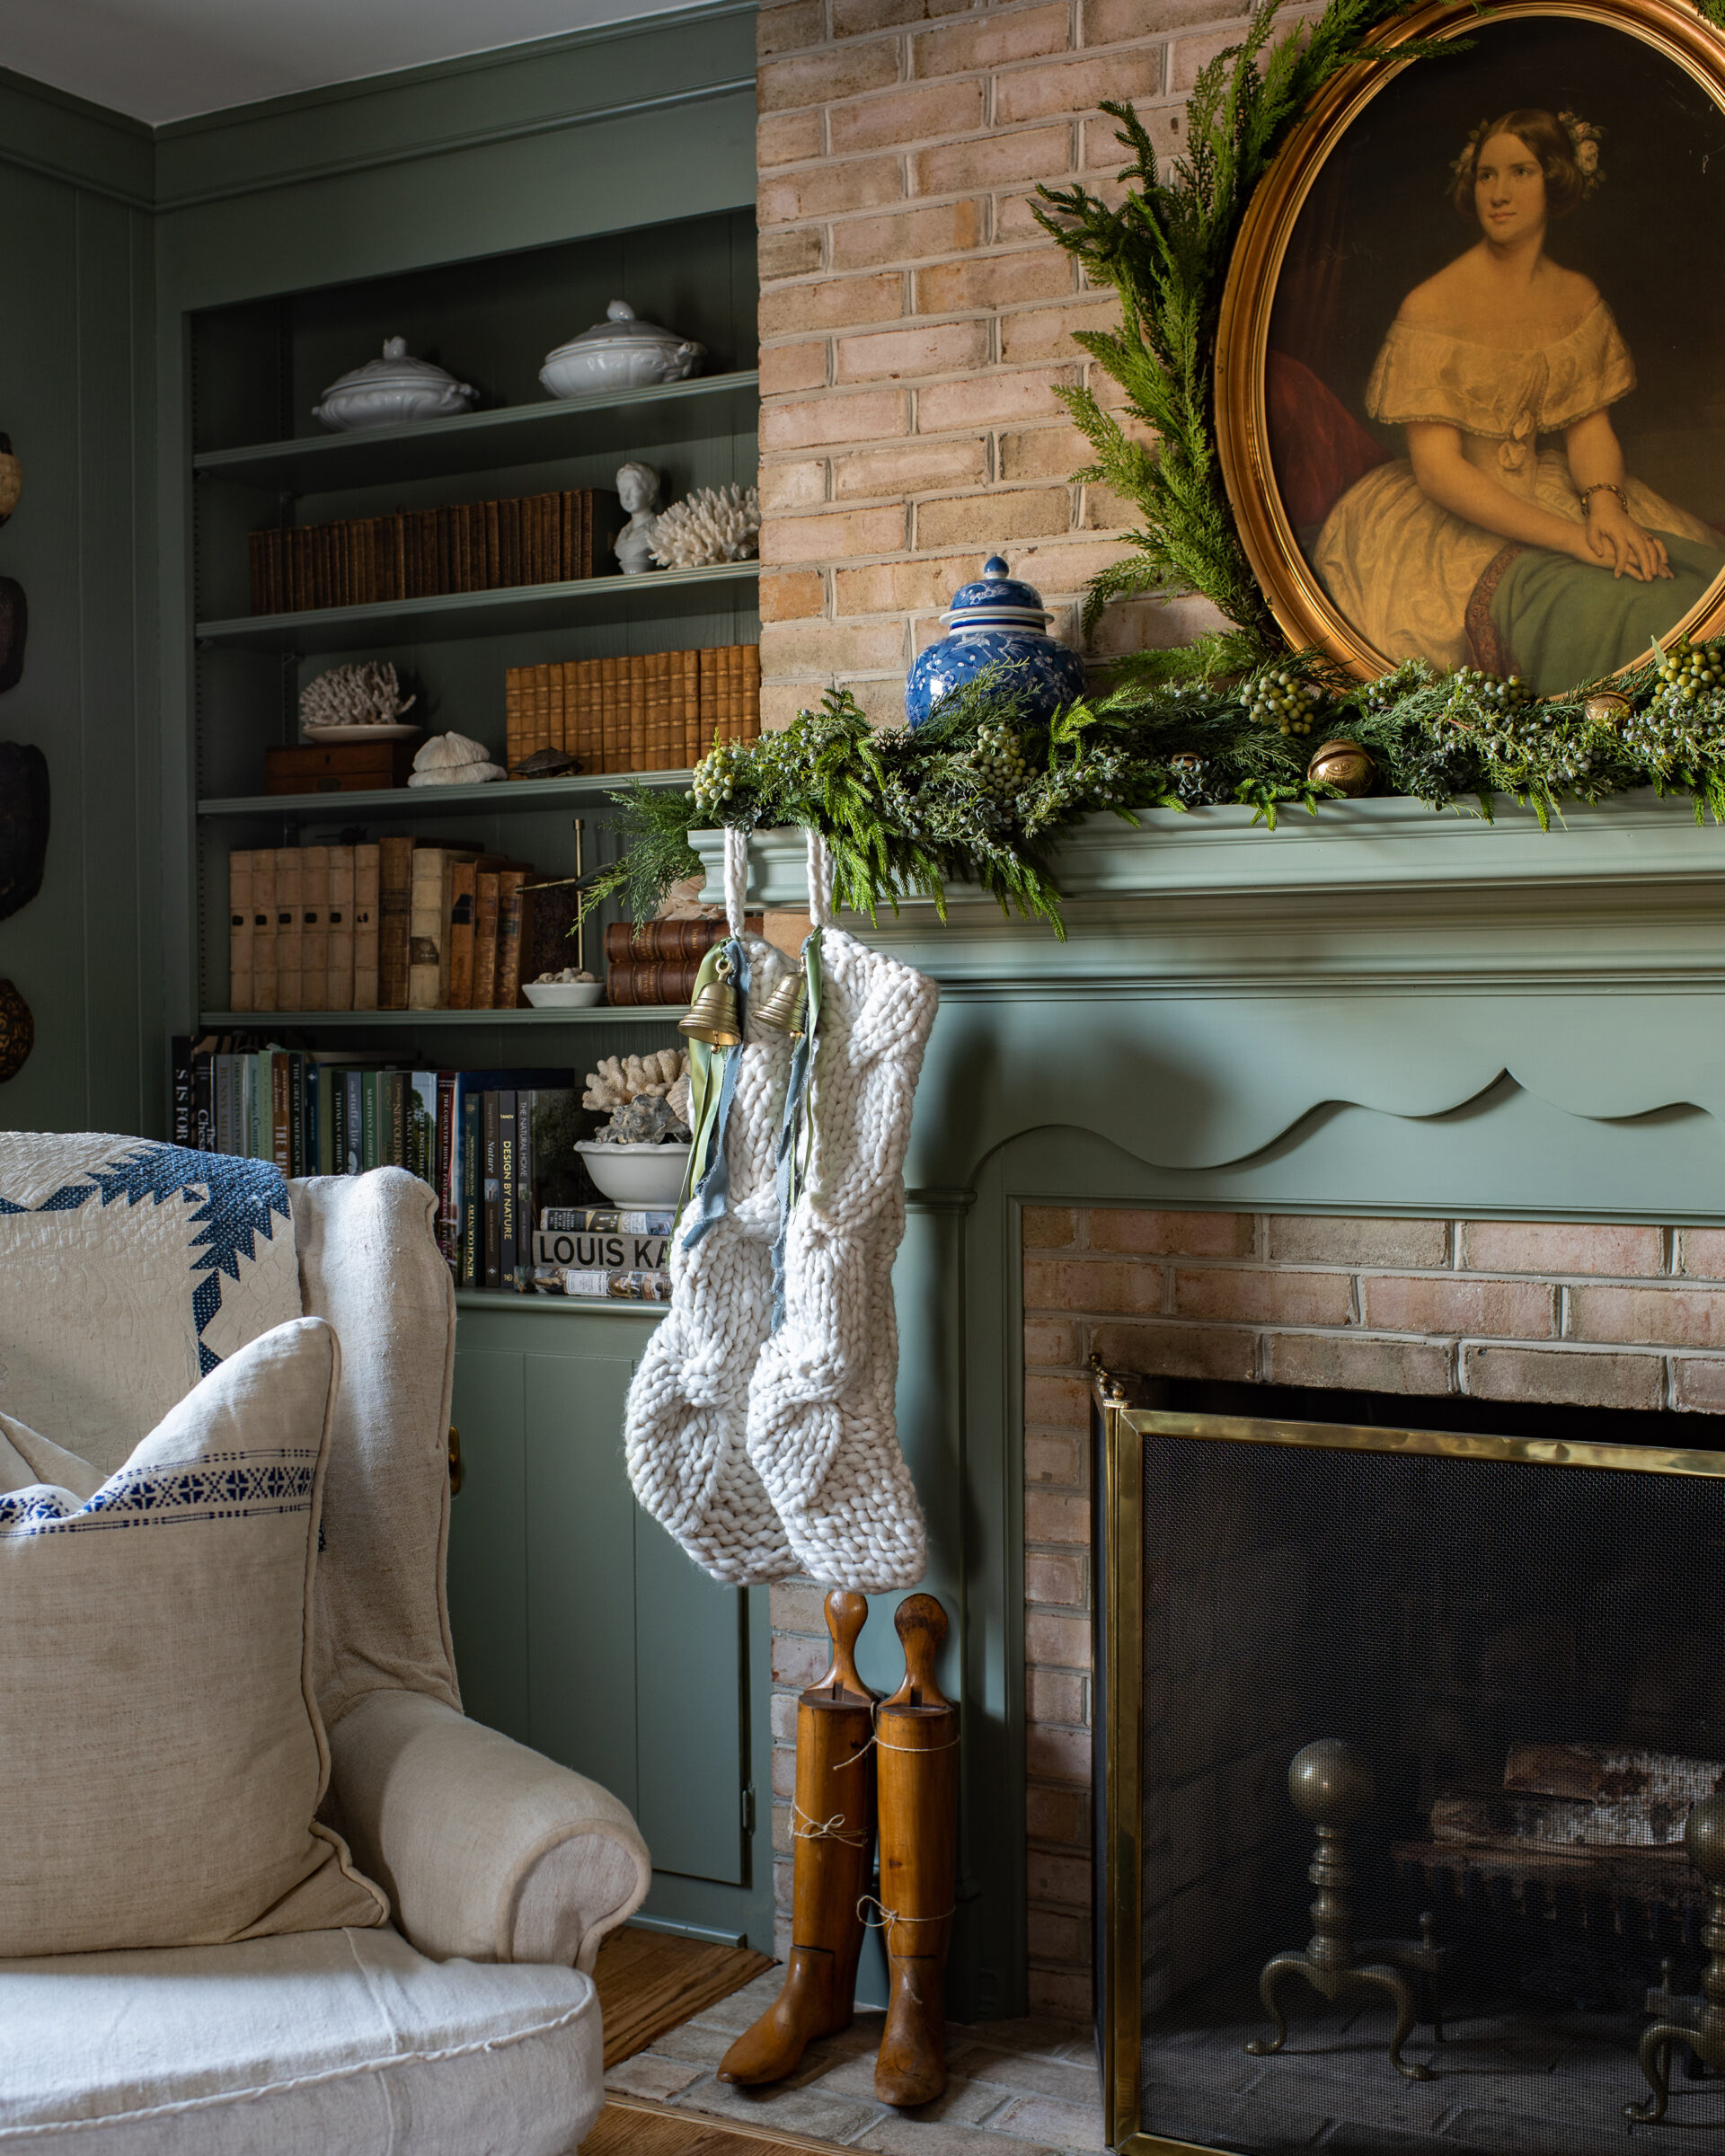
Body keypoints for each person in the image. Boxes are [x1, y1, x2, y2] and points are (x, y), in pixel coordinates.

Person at [1313, 108, 1724, 690]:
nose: (1499, 194)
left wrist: (1605, 509)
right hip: (1452, 521)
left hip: (1558, 493)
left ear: (1554, 180)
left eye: (1520, 172)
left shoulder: (1577, 296)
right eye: (1486, 175)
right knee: (1618, 609)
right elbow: (1438, 471)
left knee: (1692, 582)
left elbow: (1587, 430)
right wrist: (1575, 539)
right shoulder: (1430, 305)